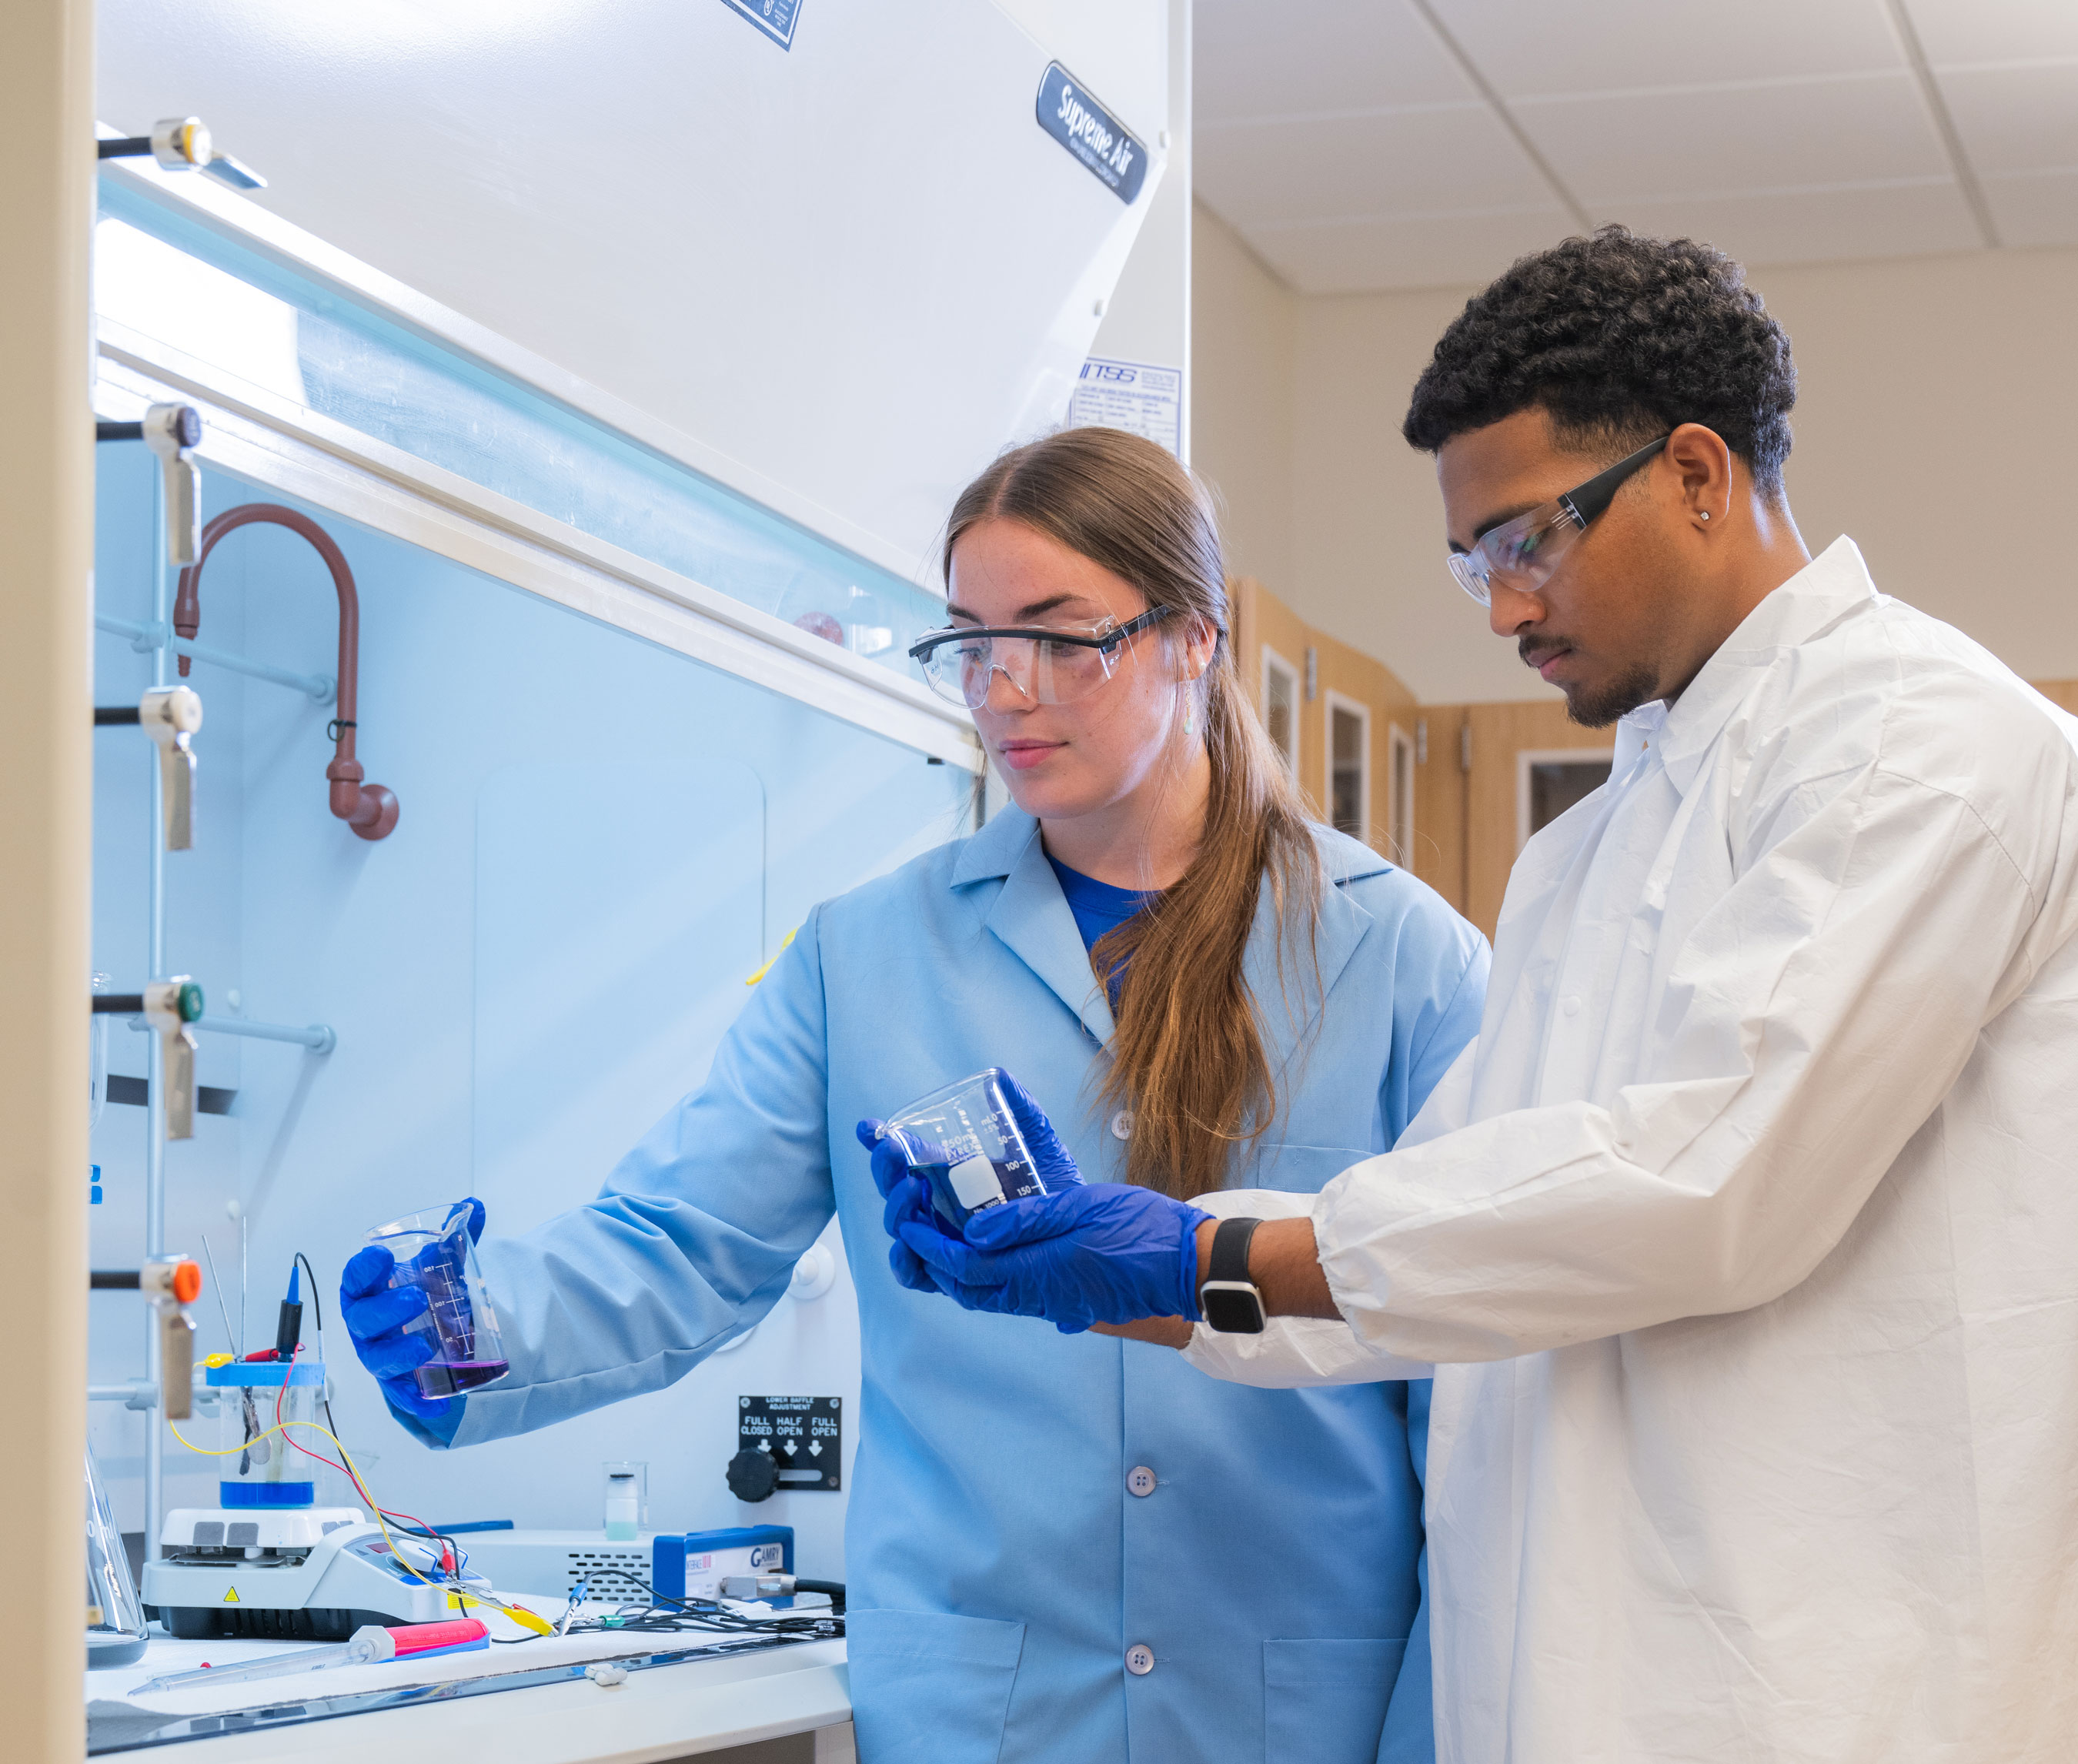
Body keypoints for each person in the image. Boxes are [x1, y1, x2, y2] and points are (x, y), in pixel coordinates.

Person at [887, 229, 2078, 1762]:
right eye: (1475, 564)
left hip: (1834, 1685)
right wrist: (1132, 1274)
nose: (1503, 610)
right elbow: (1454, 1228)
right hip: (1588, 1679)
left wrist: (1201, 1251)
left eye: (1525, 543)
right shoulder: (1589, 848)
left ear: (1696, 474)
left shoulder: (1925, 748)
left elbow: (1710, 1184)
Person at [339, 426, 1489, 1764]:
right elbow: (688, 1241)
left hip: (1301, 1707)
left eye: (1059, 637)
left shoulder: (1398, 955)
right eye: (972, 644)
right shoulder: (866, 954)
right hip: (980, 1707)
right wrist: (470, 1330)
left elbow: (1473, 1382)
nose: (1005, 690)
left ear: (1194, 639)